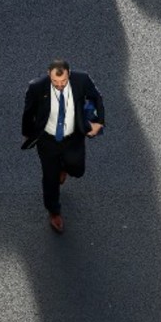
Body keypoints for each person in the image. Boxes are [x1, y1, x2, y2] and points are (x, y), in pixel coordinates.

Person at [21, 58, 104, 233]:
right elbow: (28, 112)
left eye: (63, 81)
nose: (59, 85)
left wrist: (99, 122)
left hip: (73, 137)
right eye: (55, 81)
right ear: (48, 75)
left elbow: (96, 98)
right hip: (47, 140)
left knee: (77, 169)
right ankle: (54, 211)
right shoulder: (37, 87)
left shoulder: (82, 80)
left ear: (69, 74)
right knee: (50, 177)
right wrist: (28, 132)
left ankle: (64, 168)